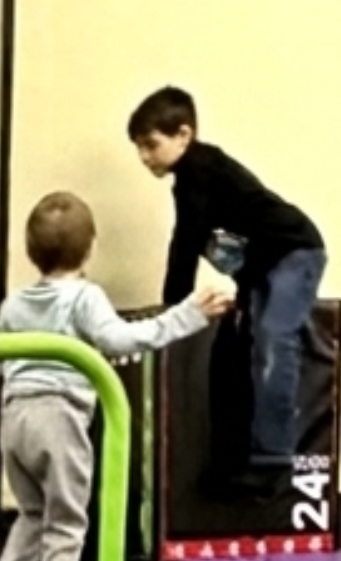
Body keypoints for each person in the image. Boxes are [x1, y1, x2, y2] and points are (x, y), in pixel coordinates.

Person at [0, 191, 228, 561]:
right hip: (59, 417)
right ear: (90, 247)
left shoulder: (15, 302)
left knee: (34, 511)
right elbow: (122, 340)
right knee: (67, 517)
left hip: (15, 418)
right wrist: (190, 314)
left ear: (30, 250)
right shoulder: (84, 298)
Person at [128, 85, 327, 481]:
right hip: (261, 263)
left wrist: (173, 309)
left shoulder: (200, 168)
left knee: (274, 338)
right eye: (139, 148)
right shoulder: (189, 179)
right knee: (234, 348)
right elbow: (192, 240)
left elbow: (185, 242)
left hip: (296, 251)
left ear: (183, 135)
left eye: (151, 144)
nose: (144, 157)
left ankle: (273, 457)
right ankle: (231, 460)